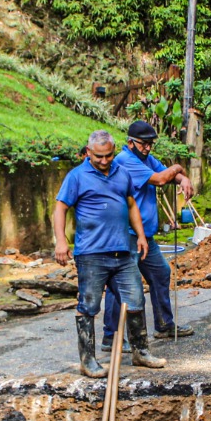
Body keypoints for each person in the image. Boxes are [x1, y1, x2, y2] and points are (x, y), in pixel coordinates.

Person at [54, 130, 167, 378]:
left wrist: (139, 235)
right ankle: (88, 360)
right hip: (92, 254)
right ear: (88, 151)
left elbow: (130, 204)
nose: (104, 161)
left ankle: (140, 351)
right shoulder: (77, 176)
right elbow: (60, 208)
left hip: (123, 252)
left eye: (108, 156)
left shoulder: (121, 172)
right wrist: (61, 241)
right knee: (89, 305)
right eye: (98, 156)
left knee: (136, 300)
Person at [101, 120, 195, 350]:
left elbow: (168, 175)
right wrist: (178, 170)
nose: (148, 148)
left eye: (151, 144)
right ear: (130, 143)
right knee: (119, 284)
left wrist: (183, 179)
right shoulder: (125, 162)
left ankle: (163, 324)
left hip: (146, 236)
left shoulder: (145, 159)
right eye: (144, 144)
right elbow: (162, 178)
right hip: (127, 235)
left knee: (161, 273)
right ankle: (111, 336)